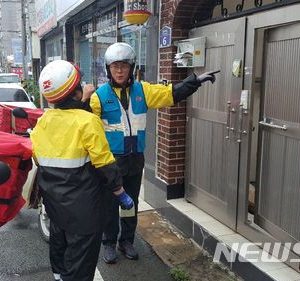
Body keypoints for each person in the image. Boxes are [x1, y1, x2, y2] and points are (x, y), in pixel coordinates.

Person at [89, 42, 218, 264]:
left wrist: (194, 82)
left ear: (132, 68)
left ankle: (126, 240)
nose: (119, 71)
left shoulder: (143, 90)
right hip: (110, 163)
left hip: (135, 160)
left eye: (124, 66)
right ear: (108, 69)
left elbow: (169, 93)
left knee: (130, 204)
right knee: (110, 206)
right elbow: (86, 129)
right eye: (115, 66)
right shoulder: (98, 97)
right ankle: (109, 242)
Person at [30, 60, 134, 281]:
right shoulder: (88, 121)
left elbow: (39, 160)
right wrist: (120, 193)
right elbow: (105, 163)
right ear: (76, 92)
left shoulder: (43, 122)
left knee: (59, 249)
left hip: (55, 206)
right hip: (84, 210)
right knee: (81, 264)